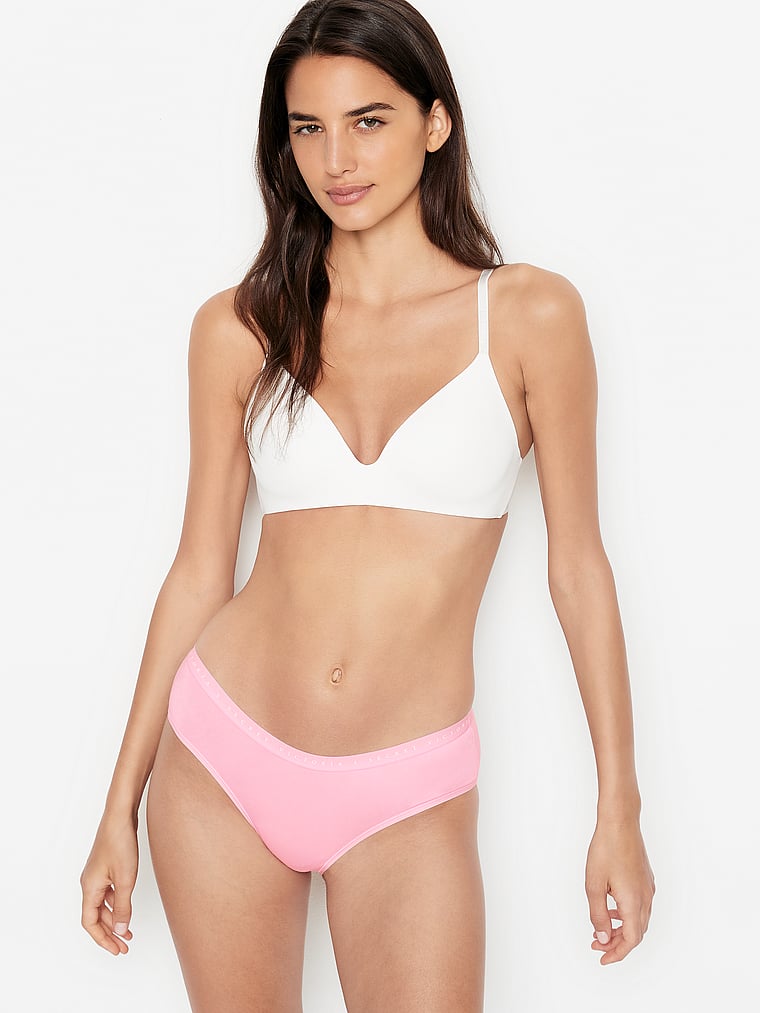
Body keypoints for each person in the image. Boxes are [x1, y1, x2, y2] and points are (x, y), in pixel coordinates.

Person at [80, 0, 655, 1008]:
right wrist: (118, 802)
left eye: (369, 120)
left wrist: (620, 805)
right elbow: (200, 569)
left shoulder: (529, 316)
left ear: (436, 121)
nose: (336, 159)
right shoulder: (241, 327)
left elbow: (578, 568)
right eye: (308, 127)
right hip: (222, 757)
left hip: (407, 786)